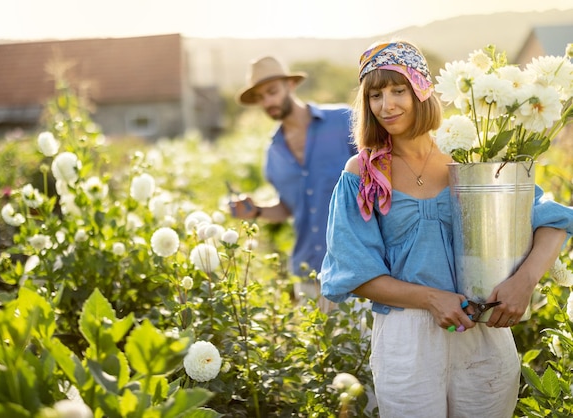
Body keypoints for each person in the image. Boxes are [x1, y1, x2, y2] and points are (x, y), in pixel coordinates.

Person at [319, 40, 573, 417]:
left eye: (397, 90)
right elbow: (355, 272)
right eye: (375, 95)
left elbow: (553, 221)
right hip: (408, 336)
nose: (386, 105)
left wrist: (525, 282)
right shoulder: (364, 173)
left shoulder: (470, 158)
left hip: (483, 331)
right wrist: (432, 299)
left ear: (421, 89)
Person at [230, 55, 357, 302]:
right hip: (307, 273)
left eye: (272, 91)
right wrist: (255, 210)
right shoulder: (274, 152)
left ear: (290, 85)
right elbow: (289, 207)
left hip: (355, 270)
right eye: (260, 97)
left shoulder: (343, 121)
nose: (268, 101)